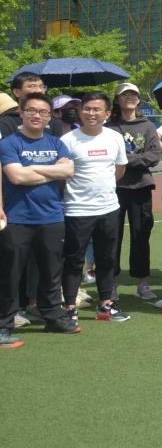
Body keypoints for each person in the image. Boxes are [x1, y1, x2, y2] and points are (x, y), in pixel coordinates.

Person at [0, 92, 79, 341]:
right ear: (21, 112)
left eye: (43, 112)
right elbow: (16, 177)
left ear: (49, 117)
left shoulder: (56, 143)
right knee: (10, 274)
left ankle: (52, 317)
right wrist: (53, 171)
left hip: (52, 218)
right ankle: (4, 323)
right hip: (17, 218)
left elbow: (69, 171)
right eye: (32, 110)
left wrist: (32, 169)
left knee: (51, 272)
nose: (37, 115)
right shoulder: (9, 143)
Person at [58, 91, 129, 322]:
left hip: (109, 208)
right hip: (77, 210)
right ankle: (70, 307)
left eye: (97, 109)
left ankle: (106, 305)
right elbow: (61, 176)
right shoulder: (67, 140)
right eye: (87, 108)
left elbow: (119, 169)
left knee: (107, 258)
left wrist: (102, 188)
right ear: (80, 112)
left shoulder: (115, 137)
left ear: (107, 113)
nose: (91, 113)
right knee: (74, 260)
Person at [107, 83, 162, 301]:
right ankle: (110, 284)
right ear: (117, 100)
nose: (129, 98)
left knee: (141, 236)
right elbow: (108, 156)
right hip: (114, 188)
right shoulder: (109, 127)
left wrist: (123, 160)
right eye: (124, 95)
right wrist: (135, 159)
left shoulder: (147, 126)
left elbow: (153, 156)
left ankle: (142, 284)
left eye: (133, 94)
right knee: (112, 237)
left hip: (141, 187)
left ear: (139, 100)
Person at [0, 74, 69, 138]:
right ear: (17, 92)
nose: (39, 90)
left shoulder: (53, 122)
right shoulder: (6, 123)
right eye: (32, 86)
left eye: (42, 87)